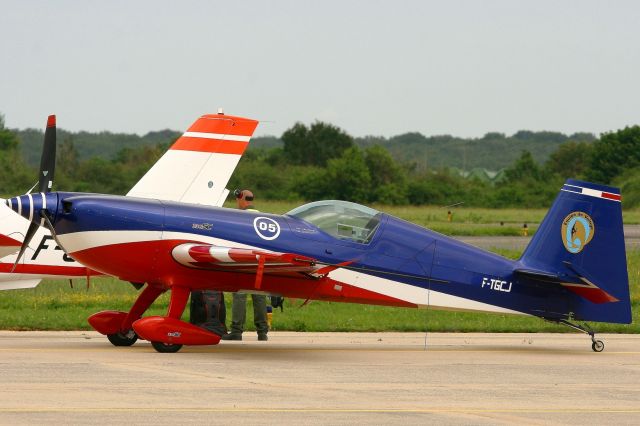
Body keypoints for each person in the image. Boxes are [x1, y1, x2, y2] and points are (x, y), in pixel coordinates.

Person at [222, 189, 269, 341]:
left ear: (241, 198)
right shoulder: (263, 217)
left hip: (244, 260)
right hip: (261, 261)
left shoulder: (240, 217)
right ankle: (262, 333)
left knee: (240, 294)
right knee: (260, 296)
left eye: (237, 199)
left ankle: (236, 331)